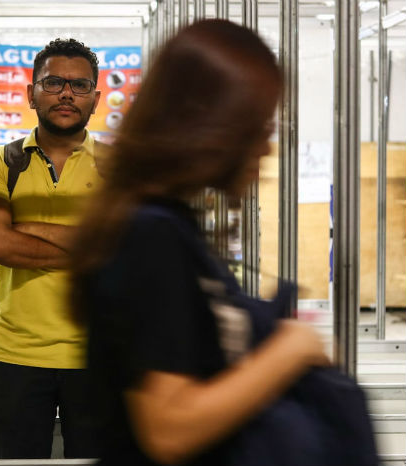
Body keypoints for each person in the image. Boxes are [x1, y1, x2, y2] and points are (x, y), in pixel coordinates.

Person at [70, 20, 332, 466]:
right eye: (258, 126)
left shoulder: (167, 224)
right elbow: (170, 428)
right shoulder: (150, 234)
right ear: (212, 125)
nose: (266, 148)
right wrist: (290, 350)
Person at [0, 38, 103, 459]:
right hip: (16, 354)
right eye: (53, 83)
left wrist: (25, 227)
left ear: (95, 98)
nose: (67, 93)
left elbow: (126, 250)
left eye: (80, 85)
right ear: (31, 94)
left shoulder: (120, 167)